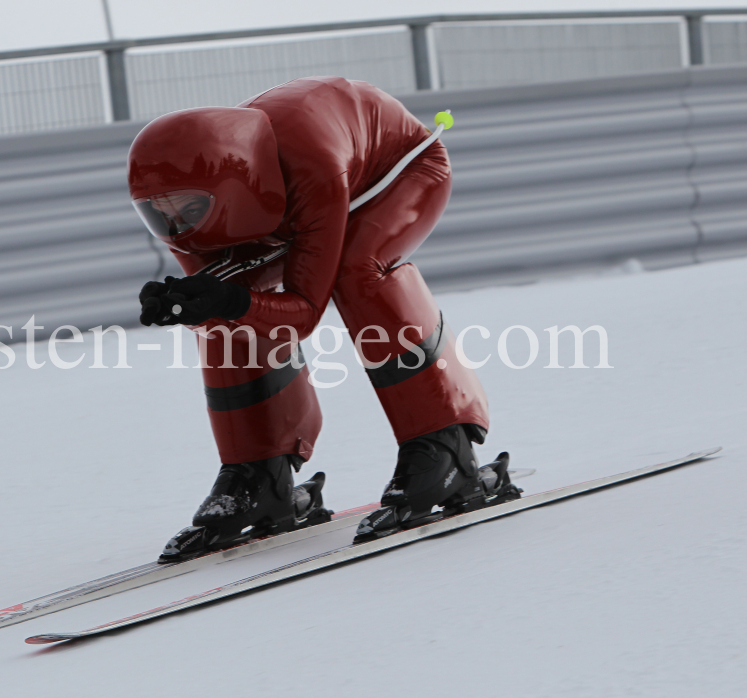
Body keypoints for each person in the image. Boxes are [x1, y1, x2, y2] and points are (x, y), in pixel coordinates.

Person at [129, 77, 519, 561]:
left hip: (394, 173)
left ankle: (444, 449)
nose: (179, 229)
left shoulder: (309, 161)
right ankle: (257, 474)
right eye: (159, 215)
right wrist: (188, 307)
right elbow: (222, 309)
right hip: (282, 192)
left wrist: (225, 301)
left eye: (190, 210)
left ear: (234, 181)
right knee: (232, 308)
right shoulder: (189, 204)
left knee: (359, 270)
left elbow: (304, 313)